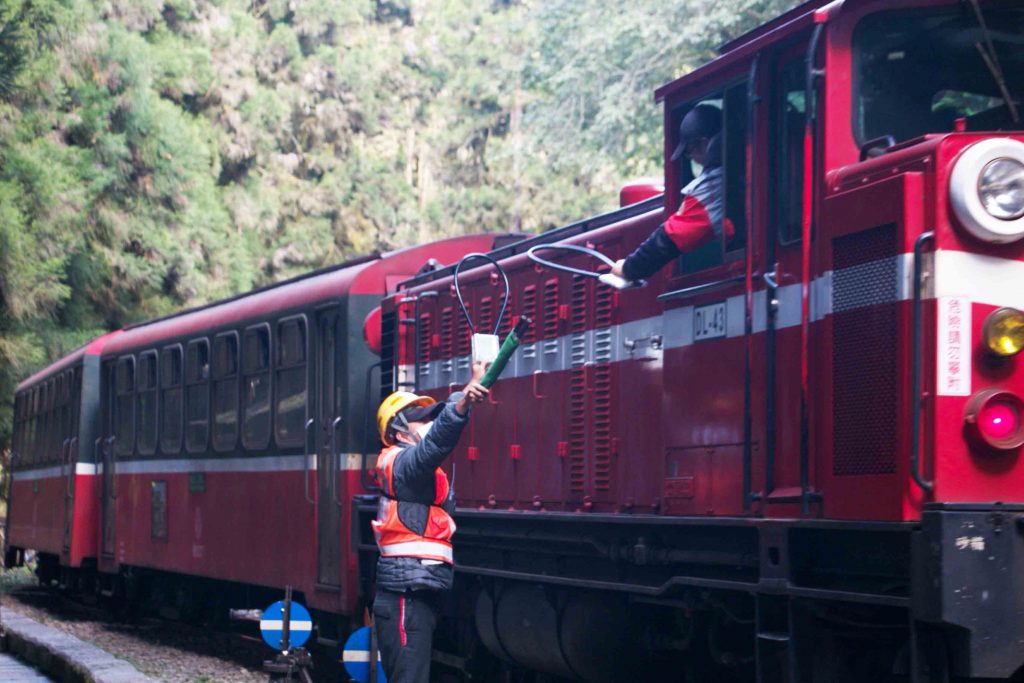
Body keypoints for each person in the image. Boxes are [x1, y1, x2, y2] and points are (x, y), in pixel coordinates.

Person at [371, 363, 488, 683]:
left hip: (413, 591)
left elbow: (437, 430)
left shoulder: (407, 466)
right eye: (420, 419)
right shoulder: (404, 463)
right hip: (404, 595)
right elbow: (436, 443)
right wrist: (464, 405)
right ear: (399, 431)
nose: (428, 424)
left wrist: (467, 391)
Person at [612, 103, 733, 282]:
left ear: (705, 143)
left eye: (690, 152)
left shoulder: (715, 184)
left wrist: (629, 268)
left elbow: (672, 236)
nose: (692, 159)